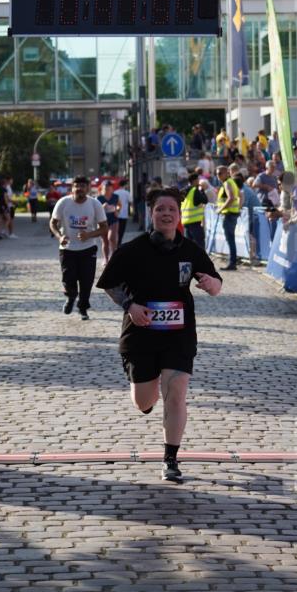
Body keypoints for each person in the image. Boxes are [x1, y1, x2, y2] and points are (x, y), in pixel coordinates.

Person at [97, 187, 222, 483]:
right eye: (160, 209)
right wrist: (130, 305)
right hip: (140, 334)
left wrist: (210, 283)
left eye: (171, 210)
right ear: (151, 214)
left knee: (176, 392)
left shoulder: (190, 250)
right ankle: (145, 394)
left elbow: (216, 284)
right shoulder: (132, 250)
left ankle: (171, 459)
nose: (166, 214)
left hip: (179, 334)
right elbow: (109, 284)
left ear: (178, 215)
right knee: (144, 400)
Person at [50, 176, 107, 320]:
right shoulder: (63, 202)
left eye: (83, 186)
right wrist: (60, 236)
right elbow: (53, 223)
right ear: (72, 188)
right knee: (68, 278)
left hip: (88, 249)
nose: (79, 188)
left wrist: (89, 235)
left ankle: (83, 308)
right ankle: (70, 297)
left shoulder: (95, 204)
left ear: (88, 188)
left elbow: (104, 228)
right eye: (77, 186)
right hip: (67, 248)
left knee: (86, 281)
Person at [215, 165, 241, 270]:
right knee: (231, 239)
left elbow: (231, 198)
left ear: (226, 173)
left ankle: (232, 263)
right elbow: (240, 195)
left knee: (230, 239)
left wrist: (220, 209)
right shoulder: (231, 182)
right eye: (217, 173)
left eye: (220, 173)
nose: (218, 176)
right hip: (232, 214)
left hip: (229, 214)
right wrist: (238, 208)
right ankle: (233, 262)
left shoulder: (227, 183)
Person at [180, 171, 208, 249]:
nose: (199, 181)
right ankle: (201, 261)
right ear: (195, 181)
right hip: (194, 223)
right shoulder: (194, 190)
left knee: (188, 247)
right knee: (200, 246)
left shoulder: (183, 191)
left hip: (185, 222)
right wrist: (202, 190)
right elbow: (205, 200)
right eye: (198, 180)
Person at [97, 180, 121, 263]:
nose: (107, 190)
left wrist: (117, 210)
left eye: (109, 188)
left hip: (113, 219)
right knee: (105, 241)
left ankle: (114, 258)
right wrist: (102, 207)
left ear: (112, 189)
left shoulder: (115, 196)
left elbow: (119, 205)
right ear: (102, 189)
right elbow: (95, 210)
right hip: (102, 221)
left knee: (111, 238)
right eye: (105, 189)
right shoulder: (99, 198)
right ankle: (106, 259)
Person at [115, 178, 131, 247]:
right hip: (124, 214)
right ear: (125, 185)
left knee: (116, 230)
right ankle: (119, 243)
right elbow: (131, 201)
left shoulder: (115, 192)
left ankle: (116, 243)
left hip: (116, 214)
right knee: (121, 230)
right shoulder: (127, 193)